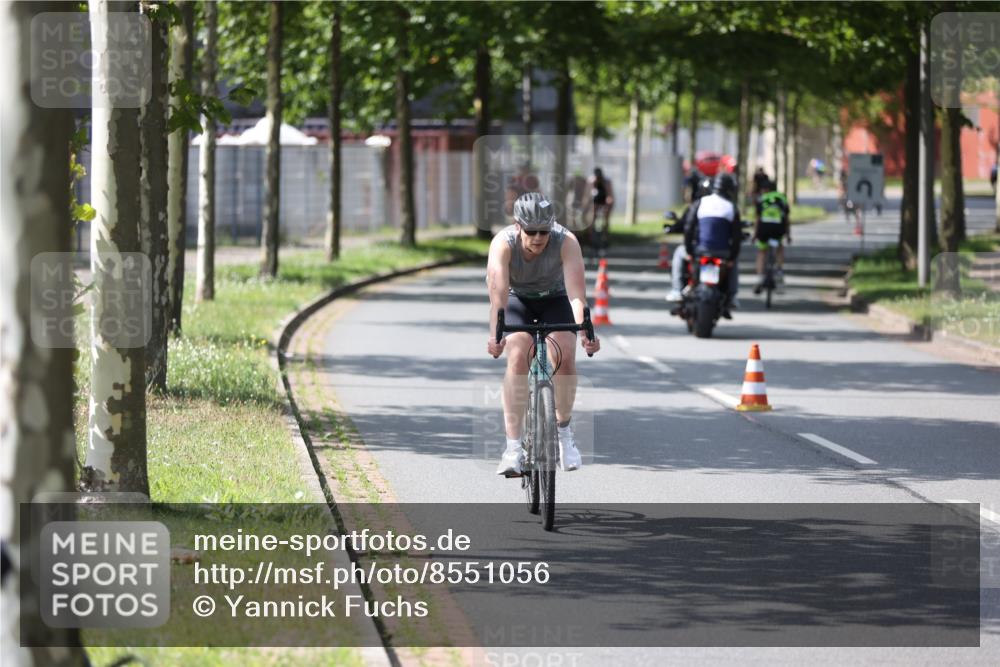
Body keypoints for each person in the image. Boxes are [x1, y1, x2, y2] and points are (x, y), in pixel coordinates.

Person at [487, 192, 601, 476]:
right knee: (518, 354)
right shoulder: (503, 244)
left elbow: (576, 296)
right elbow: (498, 297)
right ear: (518, 227)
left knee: (565, 353)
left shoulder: (566, 241)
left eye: (544, 232)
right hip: (517, 299)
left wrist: (586, 332)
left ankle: (564, 436)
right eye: (531, 231)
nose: (538, 238)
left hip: (556, 298)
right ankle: (513, 448)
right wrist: (496, 336)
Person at [667, 173, 743, 316]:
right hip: (723, 253)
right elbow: (736, 236)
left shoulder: (700, 203)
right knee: (734, 263)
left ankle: (677, 289)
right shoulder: (731, 207)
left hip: (700, 251)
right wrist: (732, 257)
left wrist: (689, 250)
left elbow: (688, 228)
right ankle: (732, 296)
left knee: (679, 253)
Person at [752, 180, 791, 293]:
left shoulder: (761, 199)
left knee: (761, 251)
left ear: (766, 190)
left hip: (764, 228)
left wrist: (755, 235)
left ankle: (759, 278)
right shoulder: (782, 198)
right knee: (779, 246)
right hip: (778, 228)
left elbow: (757, 219)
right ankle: (779, 270)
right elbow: (787, 219)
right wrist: (788, 235)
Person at [587, 168, 614, 240]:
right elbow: (587, 196)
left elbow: (609, 195)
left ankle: (605, 235)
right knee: (592, 216)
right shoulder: (591, 181)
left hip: (604, 200)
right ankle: (590, 236)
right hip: (595, 201)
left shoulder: (606, 182)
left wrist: (608, 205)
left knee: (606, 217)